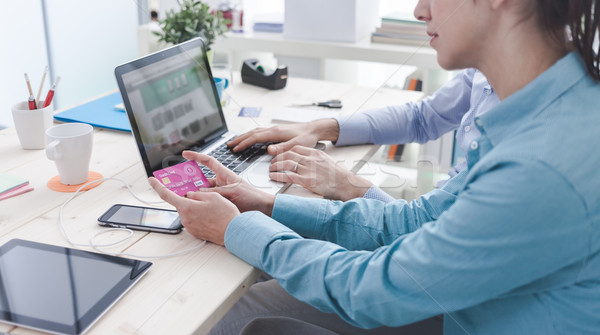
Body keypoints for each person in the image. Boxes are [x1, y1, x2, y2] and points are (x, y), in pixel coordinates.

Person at [150, 0, 600, 334]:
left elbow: (371, 291)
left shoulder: (542, 164)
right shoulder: (536, 113)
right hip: (470, 307)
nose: (419, 9)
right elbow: (416, 220)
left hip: (457, 317)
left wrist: (237, 229)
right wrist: (267, 207)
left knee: (241, 315)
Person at [229, 68, 499, 202]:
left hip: (435, 282)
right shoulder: (485, 69)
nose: (419, 10)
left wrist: (347, 184)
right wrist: (319, 127)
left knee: (246, 302)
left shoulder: (524, 135)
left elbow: (419, 227)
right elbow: (421, 117)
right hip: (423, 228)